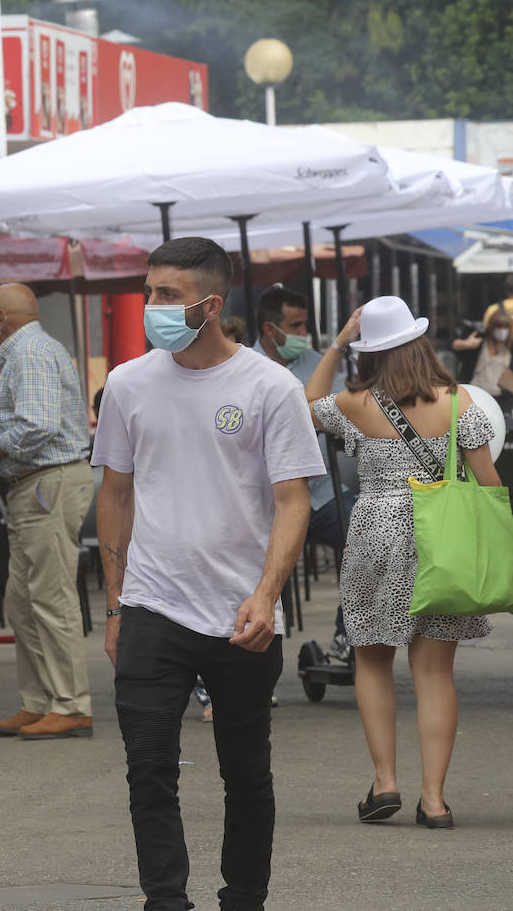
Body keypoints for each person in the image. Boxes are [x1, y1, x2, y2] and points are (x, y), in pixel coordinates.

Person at [94, 237, 322, 911]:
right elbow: (115, 494)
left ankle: (244, 897)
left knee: (245, 772)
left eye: (168, 295)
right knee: (148, 770)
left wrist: (267, 594)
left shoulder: (270, 386)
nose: (152, 306)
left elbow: (293, 500)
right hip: (151, 607)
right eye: (149, 292)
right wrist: (115, 604)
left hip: (241, 612)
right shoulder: (129, 384)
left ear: (212, 305)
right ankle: (165, 899)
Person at [305, 295, 501, 830]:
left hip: (375, 534)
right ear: (420, 342)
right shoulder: (461, 402)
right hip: (443, 541)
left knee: (372, 659)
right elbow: (489, 486)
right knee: (434, 671)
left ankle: (385, 781)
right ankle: (434, 801)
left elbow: (306, 403)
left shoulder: (355, 403)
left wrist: (338, 343)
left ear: (369, 350)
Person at [0, 283, 95, 741]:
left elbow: (39, 424)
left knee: (50, 597)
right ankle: (41, 701)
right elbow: (35, 419)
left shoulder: (30, 351)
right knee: (21, 601)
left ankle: (70, 705)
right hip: (36, 485)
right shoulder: (31, 350)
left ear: (0, 317)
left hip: (47, 483)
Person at [253, 284, 355, 658]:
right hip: (266, 501)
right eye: (295, 326)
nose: (303, 333)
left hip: (322, 493)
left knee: (369, 536)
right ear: (270, 329)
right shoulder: (243, 368)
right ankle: (242, 651)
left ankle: (349, 635)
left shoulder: (316, 362)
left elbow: (346, 409)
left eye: (304, 324)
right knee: (238, 560)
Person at [452, 306, 513, 405]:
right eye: (498, 327)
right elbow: (454, 345)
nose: (502, 330)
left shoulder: (510, 348)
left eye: (505, 327)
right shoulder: (479, 342)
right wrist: (466, 344)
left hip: (503, 400)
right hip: (475, 396)